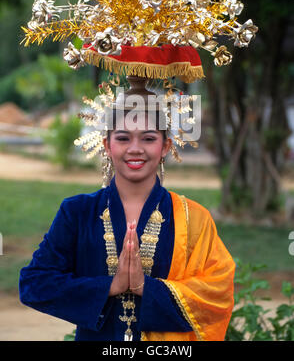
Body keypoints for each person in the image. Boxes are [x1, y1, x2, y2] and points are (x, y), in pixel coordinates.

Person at [19, 108, 235, 342]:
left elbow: (217, 293)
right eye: (123, 138)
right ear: (107, 145)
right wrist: (110, 286)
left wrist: (146, 287)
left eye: (148, 138)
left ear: (165, 146)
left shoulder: (193, 218)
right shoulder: (77, 212)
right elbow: (35, 284)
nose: (135, 148)